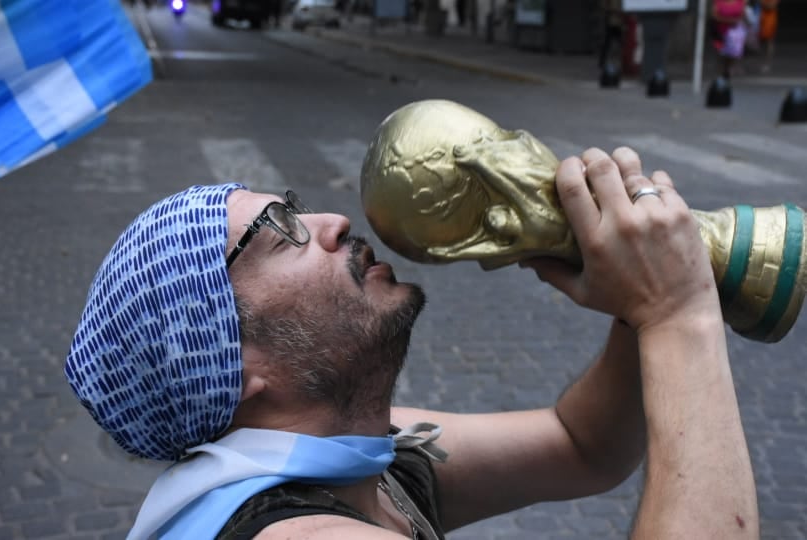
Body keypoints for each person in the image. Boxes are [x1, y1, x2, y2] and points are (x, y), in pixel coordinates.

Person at [65, 147, 759, 539]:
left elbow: (580, 446)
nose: (333, 219)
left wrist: (632, 297)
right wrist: (678, 315)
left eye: (296, 205)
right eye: (282, 233)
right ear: (231, 364)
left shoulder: (364, 451)